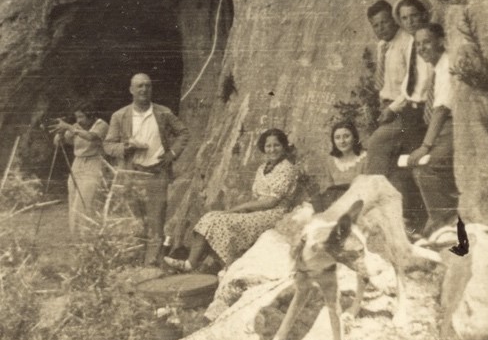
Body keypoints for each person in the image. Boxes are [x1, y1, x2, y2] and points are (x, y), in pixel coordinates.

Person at [164, 128, 298, 273]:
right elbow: (257, 197)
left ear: (284, 147)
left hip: (274, 214)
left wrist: (240, 209)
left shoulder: (287, 169)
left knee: (224, 221)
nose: (272, 149)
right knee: (211, 216)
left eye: (276, 145)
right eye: (268, 146)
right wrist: (242, 211)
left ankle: (228, 267)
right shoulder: (262, 168)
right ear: (263, 148)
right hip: (259, 212)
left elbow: (271, 202)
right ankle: (190, 263)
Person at [104, 73, 189, 267]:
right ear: (131, 90)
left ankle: (153, 264)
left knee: (157, 220)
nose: (144, 90)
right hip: (132, 174)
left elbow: (183, 132)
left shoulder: (163, 113)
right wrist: (126, 147)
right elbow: (108, 145)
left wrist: (172, 154)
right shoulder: (120, 116)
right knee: (136, 222)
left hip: (157, 173)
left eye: (148, 86)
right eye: (140, 86)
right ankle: (136, 261)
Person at [365, 0, 433, 230]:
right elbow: (384, 83)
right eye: (376, 25)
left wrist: (392, 109)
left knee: (376, 145)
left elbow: (411, 85)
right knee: (395, 168)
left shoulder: (408, 43)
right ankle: (402, 217)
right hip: (388, 106)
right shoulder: (383, 46)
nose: (381, 28)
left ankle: (369, 205)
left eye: (385, 22)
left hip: (403, 110)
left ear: (394, 21)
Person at [407, 23, 459, 237]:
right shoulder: (437, 67)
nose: (422, 48)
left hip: (454, 125)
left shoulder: (446, 65)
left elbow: (440, 110)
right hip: (445, 127)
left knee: (426, 167)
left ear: (440, 41)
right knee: (417, 165)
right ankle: (439, 216)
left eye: (426, 42)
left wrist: (425, 146)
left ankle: (444, 221)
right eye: (418, 44)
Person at [50, 102, 109, 237]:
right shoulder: (76, 126)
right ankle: (75, 236)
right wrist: (60, 135)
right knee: (73, 198)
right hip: (78, 164)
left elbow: (91, 137)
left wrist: (70, 128)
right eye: (77, 117)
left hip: (94, 163)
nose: (79, 120)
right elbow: (60, 141)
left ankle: (88, 236)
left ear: (91, 116)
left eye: (81, 117)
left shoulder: (101, 125)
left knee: (86, 200)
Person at [314, 120, 367, 212]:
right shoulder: (331, 160)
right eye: (337, 138)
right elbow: (329, 188)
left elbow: (369, 188)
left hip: (359, 205)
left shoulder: (365, 158)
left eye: (346, 136)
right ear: (333, 141)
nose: (342, 141)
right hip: (337, 205)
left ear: (354, 137)